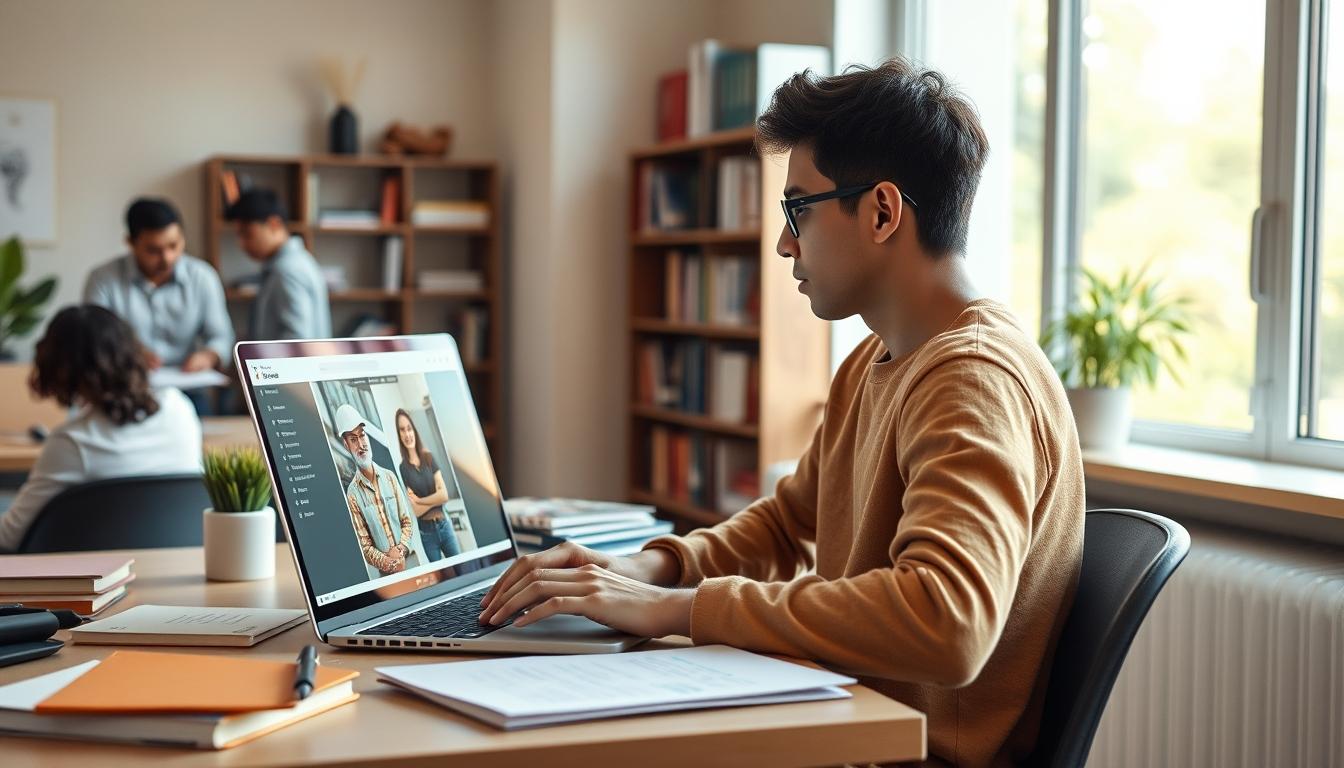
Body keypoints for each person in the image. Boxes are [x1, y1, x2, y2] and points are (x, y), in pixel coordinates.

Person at [479, 58, 1085, 767]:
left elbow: (947, 620)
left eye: (799, 208)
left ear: (883, 211)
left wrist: (681, 610)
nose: (784, 243)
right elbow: (788, 522)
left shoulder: (972, 379)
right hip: (846, 726)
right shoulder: (878, 360)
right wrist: (648, 571)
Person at [0, 305, 202, 552]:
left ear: (61, 367)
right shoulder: (179, 407)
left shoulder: (73, 442)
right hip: (177, 569)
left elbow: (9, 538)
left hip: (93, 582)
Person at [83, 197, 233, 413]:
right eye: (154, 250)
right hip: (124, 392)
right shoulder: (103, 279)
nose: (167, 258)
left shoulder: (203, 277)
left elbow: (221, 336)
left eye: (174, 245)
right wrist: (128, 351)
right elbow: (93, 339)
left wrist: (209, 355)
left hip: (189, 395)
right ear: (130, 243)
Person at [226, 189, 331, 341]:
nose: (241, 244)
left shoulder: (287, 272)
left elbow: (297, 340)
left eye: (247, 234)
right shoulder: (297, 262)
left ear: (274, 224)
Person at [336, 404, 416, 575]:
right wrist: (388, 562)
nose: (361, 444)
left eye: (362, 436)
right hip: (385, 576)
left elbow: (407, 521)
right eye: (353, 439)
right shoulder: (353, 494)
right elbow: (365, 545)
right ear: (346, 445)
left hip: (409, 565)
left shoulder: (390, 478)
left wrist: (400, 549)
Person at [393, 408, 462, 561]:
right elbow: (416, 511)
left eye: (409, 428)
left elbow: (444, 496)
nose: (407, 434)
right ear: (399, 435)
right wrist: (434, 498)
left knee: (462, 569)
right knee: (443, 580)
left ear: (414, 430)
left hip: (445, 526)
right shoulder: (403, 468)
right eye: (402, 430)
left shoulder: (429, 458)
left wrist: (420, 500)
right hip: (427, 535)